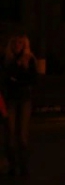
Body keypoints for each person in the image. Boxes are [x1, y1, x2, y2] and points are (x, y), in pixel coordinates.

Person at [2, 34, 38, 176]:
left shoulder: (30, 59)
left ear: (24, 45)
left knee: (22, 136)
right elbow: (6, 78)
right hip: (10, 99)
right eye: (15, 43)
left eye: (20, 43)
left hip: (24, 99)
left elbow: (32, 80)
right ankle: (12, 165)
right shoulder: (7, 59)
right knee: (10, 134)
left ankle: (23, 166)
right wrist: (17, 67)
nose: (17, 45)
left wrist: (16, 79)